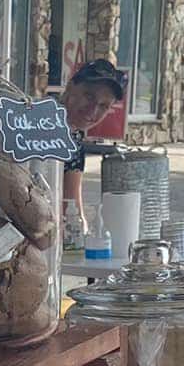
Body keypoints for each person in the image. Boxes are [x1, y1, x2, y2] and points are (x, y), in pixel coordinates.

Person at [58, 58, 127, 240]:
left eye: (104, 106)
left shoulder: (74, 135)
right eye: (89, 96)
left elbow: (71, 200)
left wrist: (82, 236)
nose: (93, 110)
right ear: (71, 86)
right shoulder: (39, 123)